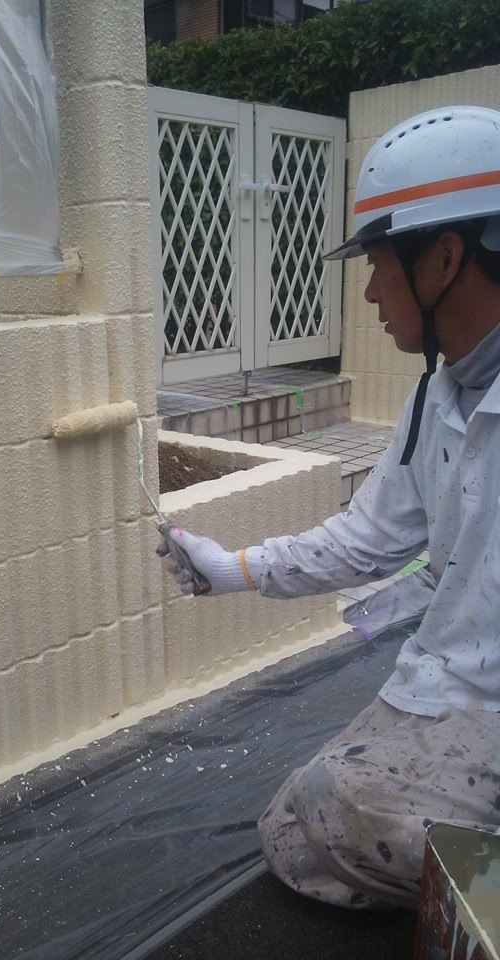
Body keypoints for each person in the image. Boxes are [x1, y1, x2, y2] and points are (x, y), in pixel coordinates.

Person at [160, 105, 500, 911]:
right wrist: (229, 568)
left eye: (379, 265)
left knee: (334, 814)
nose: (372, 293)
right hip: (446, 680)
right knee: (293, 823)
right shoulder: (439, 393)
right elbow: (367, 537)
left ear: (444, 257)